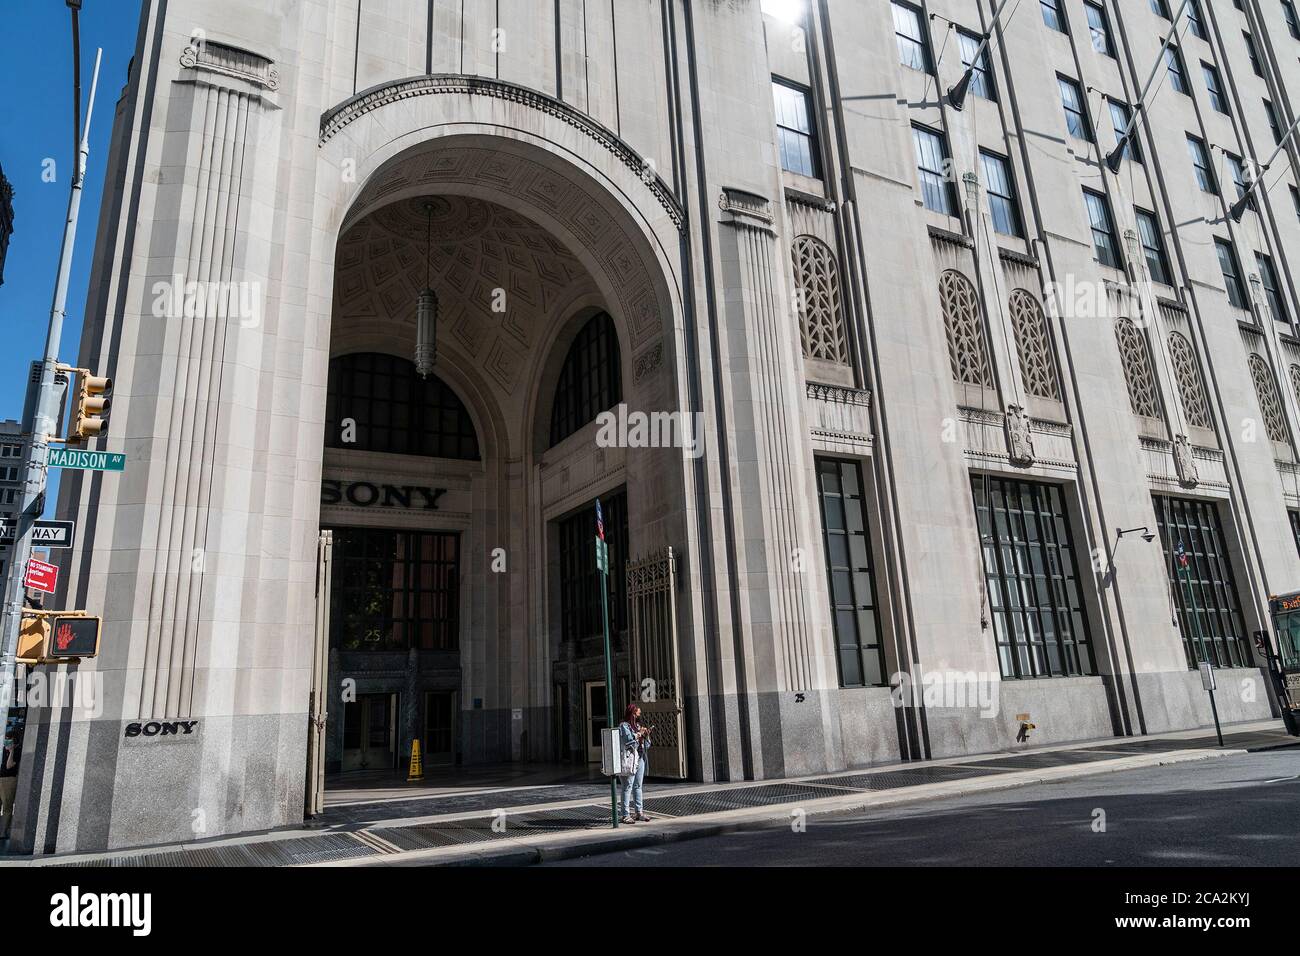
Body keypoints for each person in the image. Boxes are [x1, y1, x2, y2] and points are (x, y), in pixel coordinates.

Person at [617, 703, 652, 824]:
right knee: (627, 786)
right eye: (638, 713)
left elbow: (646, 745)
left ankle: (639, 812)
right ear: (632, 713)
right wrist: (638, 735)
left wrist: (646, 736)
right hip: (629, 759)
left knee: (638, 786)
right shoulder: (624, 726)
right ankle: (625, 814)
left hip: (640, 757)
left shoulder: (638, 725)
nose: (639, 715)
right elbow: (628, 741)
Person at [0, 708, 25, 840]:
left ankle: (3, 832)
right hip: (1, 778)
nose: (7, 741)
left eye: (10, 739)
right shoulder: (2, 749)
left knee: (7, 807)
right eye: (6, 738)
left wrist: (11, 752)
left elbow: (10, 766)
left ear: (15, 741)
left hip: (8, 779)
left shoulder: (16, 751)